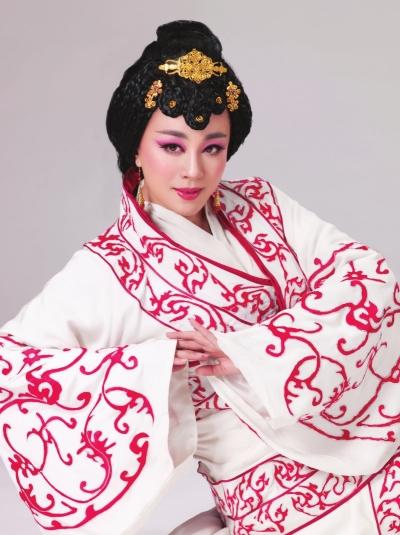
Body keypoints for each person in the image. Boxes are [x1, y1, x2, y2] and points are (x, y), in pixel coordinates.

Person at [0, 19, 399, 535]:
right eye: (172, 146)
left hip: (372, 448)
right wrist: (148, 365)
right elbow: (13, 367)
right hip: (276, 509)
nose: (194, 170)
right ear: (136, 147)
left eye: (212, 147)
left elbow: (368, 275)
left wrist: (252, 352)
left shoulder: (263, 205)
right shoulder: (109, 268)